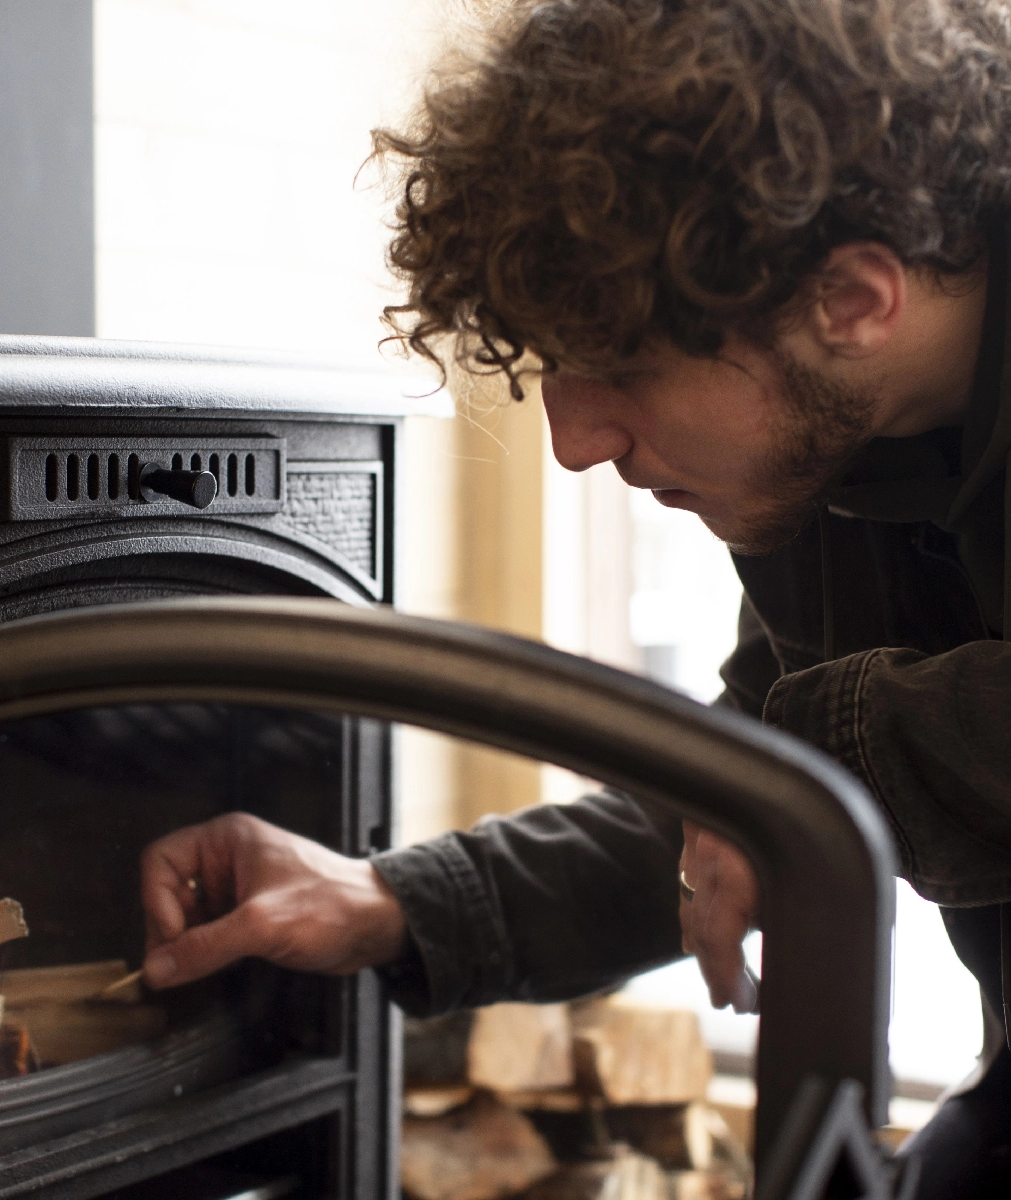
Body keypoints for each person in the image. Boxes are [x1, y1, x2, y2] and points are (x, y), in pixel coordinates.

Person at [141, 0, 1011, 1190]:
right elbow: (737, 799)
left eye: (625, 368)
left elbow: (807, 772)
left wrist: (836, 761)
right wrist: (392, 901)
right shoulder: (834, 458)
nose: (575, 440)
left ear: (853, 302)